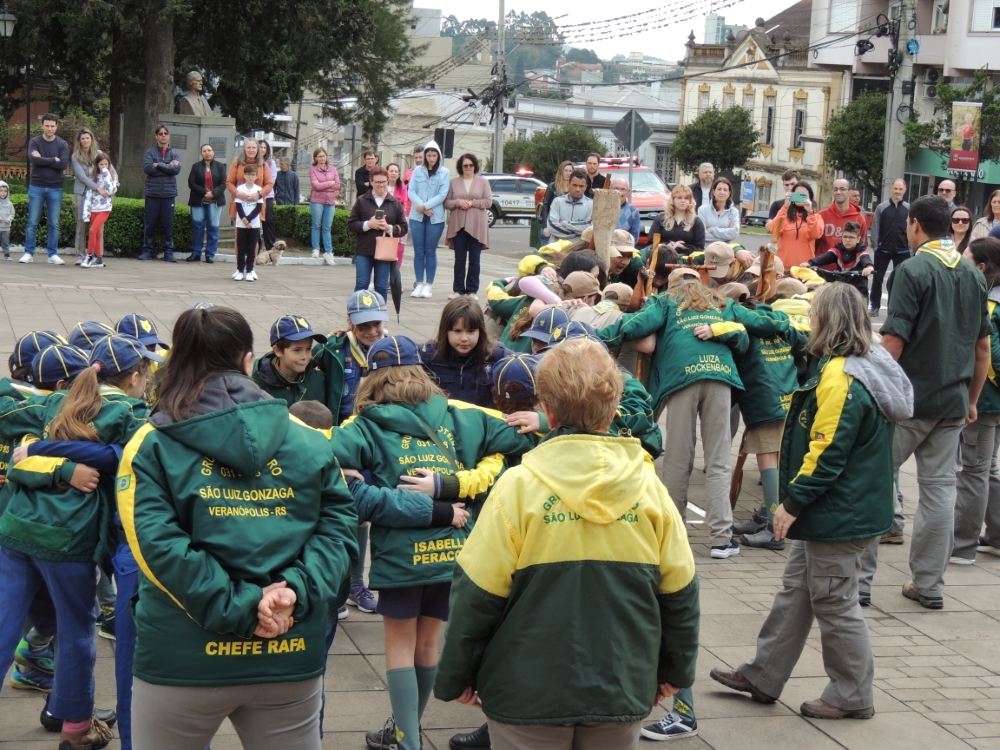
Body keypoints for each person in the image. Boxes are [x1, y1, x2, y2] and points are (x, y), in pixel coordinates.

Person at [435, 338, 700, 750]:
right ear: (614, 408)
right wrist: (675, 671)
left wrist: (456, 675)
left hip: (525, 691)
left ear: (548, 410)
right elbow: (681, 594)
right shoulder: (651, 490)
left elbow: (476, 594)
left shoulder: (517, 487)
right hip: (621, 685)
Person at [119, 306, 358, 750]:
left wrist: (243, 608)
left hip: (183, 657)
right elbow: (340, 527)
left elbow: (156, 547)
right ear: (248, 361)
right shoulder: (309, 437)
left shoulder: (150, 442)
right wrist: (295, 593)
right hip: (289, 647)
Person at [711, 283, 911, 720]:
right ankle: (763, 674)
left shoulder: (842, 374)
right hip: (843, 508)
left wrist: (792, 502)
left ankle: (851, 694)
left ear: (827, 320)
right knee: (798, 590)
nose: (809, 321)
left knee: (835, 601)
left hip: (839, 513)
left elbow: (828, 451)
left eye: (814, 313)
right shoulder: (866, 363)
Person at [332, 335, 536, 750]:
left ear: (372, 377)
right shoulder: (463, 414)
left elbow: (316, 449)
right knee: (428, 644)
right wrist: (539, 423)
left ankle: (407, 741)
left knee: (399, 646)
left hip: (402, 555)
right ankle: (403, 730)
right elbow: (524, 440)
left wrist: (345, 474)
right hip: (454, 551)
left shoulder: (366, 424)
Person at [0, 334, 159, 750]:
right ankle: (76, 729)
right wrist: (71, 465)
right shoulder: (130, 410)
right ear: (134, 377)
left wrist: (48, 451)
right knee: (76, 633)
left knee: (3, 626)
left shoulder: (58, 400)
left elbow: (21, 450)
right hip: (68, 539)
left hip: (16, 528)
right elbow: (130, 457)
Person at [859, 195, 991, 610]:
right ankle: (929, 584)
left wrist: (871, 388)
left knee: (874, 480)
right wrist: (971, 400)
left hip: (907, 402)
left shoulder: (912, 270)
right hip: (952, 402)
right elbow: (982, 349)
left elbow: (894, 341)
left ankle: (859, 581)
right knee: (939, 492)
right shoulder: (972, 274)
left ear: (914, 225)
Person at [599, 270, 749, 558]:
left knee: (678, 458)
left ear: (672, 285)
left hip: (681, 378)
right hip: (721, 377)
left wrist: (594, 336)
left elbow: (634, 325)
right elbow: (743, 340)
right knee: (719, 460)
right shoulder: (722, 302)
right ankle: (721, 539)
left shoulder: (665, 301)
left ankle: (674, 533)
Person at [953, 237, 1000, 564]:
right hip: (991, 402)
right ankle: (995, 535)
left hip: (985, 401)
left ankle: (962, 546)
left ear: (981, 267)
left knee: (973, 472)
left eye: (966, 259)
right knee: (987, 469)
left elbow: (991, 355)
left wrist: (974, 395)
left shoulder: (989, 304)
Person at [419, 297, 510, 408]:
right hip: (442, 418)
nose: (464, 338)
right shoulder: (427, 354)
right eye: (457, 331)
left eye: (471, 331)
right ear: (445, 330)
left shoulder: (498, 355)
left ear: (480, 331)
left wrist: (531, 415)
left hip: (481, 418)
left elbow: (527, 364)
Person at [349, 166, 408, 303]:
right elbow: (351, 224)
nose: (381, 185)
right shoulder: (362, 200)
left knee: (381, 286)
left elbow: (404, 228)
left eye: (384, 182)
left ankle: (380, 315)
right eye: (377, 182)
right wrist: (368, 224)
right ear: (371, 182)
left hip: (384, 251)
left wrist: (388, 228)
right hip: (364, 250)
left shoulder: (394, 202)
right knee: (361, 285)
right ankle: (358, 313)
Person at [21, 114, 70, 265]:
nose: (50, 129)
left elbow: (63, 165)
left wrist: (42, 159)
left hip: (55, 188)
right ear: (42, 126)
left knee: (54, 223)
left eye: (52, 126)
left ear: (57, 127)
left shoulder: (62, 144)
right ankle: (29, 253)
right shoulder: (34, 142)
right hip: (36, 186)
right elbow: (34, 160)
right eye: (47, 126)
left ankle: (52, 254)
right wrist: (53, 159)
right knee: (32, 222)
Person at [252, 315, 329, 405]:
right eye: (297, 350)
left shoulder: (318, 379)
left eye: (308, 348)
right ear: (278, 351)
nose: (305, 356)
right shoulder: (256, 382)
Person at [445, 153, 491, 299]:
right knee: (459, 259)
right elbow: (447, 202)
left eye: (471, 165)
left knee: (474, 259)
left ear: (475, 166)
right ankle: (458, 289)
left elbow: (488, 201)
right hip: (458, 224)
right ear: (461, 167)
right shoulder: (453, 182)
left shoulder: (483, 182)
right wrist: (458, 202)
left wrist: (472, 203)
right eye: (465, 165)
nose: (468, 167)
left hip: (477, 225)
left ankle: (472, 290)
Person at [408, 140, 451, 298]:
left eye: (434, 155)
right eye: (429, 155)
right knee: (418, 251)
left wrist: (426, 206)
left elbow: (442, 194)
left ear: (438, 156)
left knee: (430, 251)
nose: (431, 158)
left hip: (435, 216)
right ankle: (419, 283)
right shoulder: (417, 171)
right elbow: (411, 191)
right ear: (425, 156)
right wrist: (421, 207)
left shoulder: (444, 172)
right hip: (417, 215)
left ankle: (428, 285)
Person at [138, 123, 181, 263]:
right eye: (160, 133)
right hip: (153, 194)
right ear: (156, 136)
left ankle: (168, 252)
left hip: (169, 195)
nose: (163, 136)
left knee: (168, 225)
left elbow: (176, 170)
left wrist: (159, 165)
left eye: (165, 133)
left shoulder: (174, 153)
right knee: (149, 224)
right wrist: (168, 167)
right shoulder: (150, 152)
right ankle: (147, 251)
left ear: (168, 136)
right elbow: (148, 169)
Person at [226, 138, 273, 263]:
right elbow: (229, 182)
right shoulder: (236, 163)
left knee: (254, 237)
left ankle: (251, 267)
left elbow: (269, 184)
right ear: (244, 149)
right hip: (239, 205)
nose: (251, 150)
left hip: (256, 206)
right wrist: (238, 194)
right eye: (248, 147)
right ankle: (240, 267)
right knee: (239, 237)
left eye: (253, 148)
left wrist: (259, 194)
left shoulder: (263, 165)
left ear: (257, 149)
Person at [868, 178, 910, 317]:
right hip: (883, 250)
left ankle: (894, 309)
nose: (898, 191)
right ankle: (875, 306)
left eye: (900, 189)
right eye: (895, 188)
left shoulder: (909, 209)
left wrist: (910, 247)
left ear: (905, 190)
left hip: (903, 251)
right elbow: (875, 227)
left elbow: (912, 228)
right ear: (891, 189)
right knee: (877, 278)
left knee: (899, 281)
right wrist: (875, 246)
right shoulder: (882, 207)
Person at [802, 221, 873, 299]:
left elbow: (865, 259)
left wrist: (868, 267)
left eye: (851, 237)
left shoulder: (861, 250)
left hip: (858, 291)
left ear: (858, 239)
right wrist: (810, 263)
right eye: (845, 237)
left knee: (861, 303)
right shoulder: (838, 248)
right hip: (841, 289)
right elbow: (826, 256)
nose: (847, 240)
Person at [186, 143, 227, 263]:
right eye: (204, 151)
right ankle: (196, 253)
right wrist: (204, 192)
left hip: (215, 202)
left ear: (213, 152)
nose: (207, 153)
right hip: (199, 201)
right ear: (201, 153)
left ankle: (210, 254)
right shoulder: (196, 166)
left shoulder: (220, 166)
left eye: (209, 150)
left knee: (213, 227)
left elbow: (224, 183)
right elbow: (191, 183)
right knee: (197, 227)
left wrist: (213, 194)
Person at [769, 181, 824, 268]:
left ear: (810, 197)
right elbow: (773, 229)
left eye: (803, 195)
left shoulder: (815, 217)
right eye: (797, 194)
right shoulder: (785, 214)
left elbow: (815, 234)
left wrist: (810, 213)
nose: (800, 197)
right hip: (782, 267)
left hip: (804, 267)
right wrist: (785, 207)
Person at [70, 127, 104, 265]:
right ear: (79, 141)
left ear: (92, 139)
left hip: (97, 196)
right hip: (82, 193)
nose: (85, 141)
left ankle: (97, 254)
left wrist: (115, 185)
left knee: (97, 225)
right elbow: (82, 176)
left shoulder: (99, 154)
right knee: (81, 224)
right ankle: (80, 255)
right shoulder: (75, 156)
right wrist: (97, 187)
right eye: (83, 138)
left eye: (87, 138)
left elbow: (110, 170)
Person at [80, 151, 118, 269]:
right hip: (93, 208)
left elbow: (110, 190)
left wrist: (106, 174)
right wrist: (87, 210)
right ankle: (98, 258)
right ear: (97, 165)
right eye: (101, 164)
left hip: (105, 208)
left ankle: (89, 255)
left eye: (106, 164)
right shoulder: (94, 176)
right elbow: (89, 191)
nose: (104, 166)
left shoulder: (111, 176)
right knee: (96, 233)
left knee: (92, 231)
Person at [814, 178, 867, 256]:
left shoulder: (859, 219)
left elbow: (861, 248)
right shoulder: (821, 216)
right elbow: (813, 244)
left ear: (849, 192)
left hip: (848, 263)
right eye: (835, 189)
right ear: (832, 192)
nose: (838, 192)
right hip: (824, 263)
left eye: (842, 189)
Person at [649, 184, 706, 254]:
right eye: (679, 198)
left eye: (686, 198)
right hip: (663, 257)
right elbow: (651, 243)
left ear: (690, 201)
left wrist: (681, 247)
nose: (683, 201)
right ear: (673, 199)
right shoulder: (661, 218)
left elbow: (699, 248)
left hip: (687, 258)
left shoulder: (696, 221)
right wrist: (666, 246)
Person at [308, 147, 341, 265]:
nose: (322, 158)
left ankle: (328, 251)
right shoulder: (313, 170)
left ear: (326, 156)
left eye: (323, 156)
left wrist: (325, 185)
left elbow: (338, 185)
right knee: (316, 225)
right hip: (317, 201)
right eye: (319, 156)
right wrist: (330, 183)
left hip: (330, 201)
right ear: (315, 158)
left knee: (327, 227)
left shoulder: (333, 169)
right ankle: (315, 249)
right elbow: (316, 186)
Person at [233, 164, 263, 282]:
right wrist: (244, 220)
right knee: (241, 248)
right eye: (248, 174)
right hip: (241, 223)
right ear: (244, 175)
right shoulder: (240, 189)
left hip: (254, 224)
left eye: (253, 175)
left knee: (251, 249)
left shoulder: (258, 190)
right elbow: (238, 206)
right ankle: (240, 270)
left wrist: (249, 219)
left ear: (256, 176)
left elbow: (258, 208)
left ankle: (250, 270)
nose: (250, 177)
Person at [546, 169, 592, 242]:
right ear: (568, 185)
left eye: (581, 186)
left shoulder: (591, 205)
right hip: (557, 248)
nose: (578, 189)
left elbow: (590, 228)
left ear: (586, 187)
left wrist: (564, 223)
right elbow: (552, 227)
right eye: (574, 185)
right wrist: (577, 233)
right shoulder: (557, 202)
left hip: (578, 248)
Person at [698, 176, 741, 244]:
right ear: (713, 192)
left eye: (725, 190)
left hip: (726, 248)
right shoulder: (703, 210)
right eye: (719, 189)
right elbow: (701, 234)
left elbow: (734, 233)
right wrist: (726, 237)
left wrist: (712, 229)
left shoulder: (734, 212)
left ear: (729, 193)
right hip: (707, 248)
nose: (722, 192)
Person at [540, 161, 574, 244]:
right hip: (551, 225)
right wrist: (545, 226)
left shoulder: (574, 189)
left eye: (570, 171)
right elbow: (545, 206)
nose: (568, 173)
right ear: (561, 171)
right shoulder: (552, 187)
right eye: (566, 170)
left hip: (566, 228)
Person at [259, 140, 278, 253]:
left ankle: (271, 249)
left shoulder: (271, 162)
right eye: (260, 147)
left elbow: (272, 179)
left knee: (268, 221)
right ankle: (256, 248)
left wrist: (263, 191)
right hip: (253, 195)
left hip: (267, 195)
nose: (262, 149)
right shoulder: (252, 161)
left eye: (264, 147)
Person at [610, 176, 641, 241]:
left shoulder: (633, 211)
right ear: (610, 189)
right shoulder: (602, 208)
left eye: (623, 189)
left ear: (628, 192)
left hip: (624, 246)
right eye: (616, 189)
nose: (619, 192)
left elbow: (634, 238)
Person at [0, 180, 14, 261]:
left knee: (5, 242)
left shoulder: (9, 204)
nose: (3, 193)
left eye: (5, 191)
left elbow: (12, 214)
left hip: (6, 228)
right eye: (1, 191)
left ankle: (7, 255)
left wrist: (9, 219)